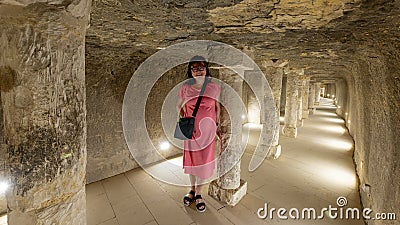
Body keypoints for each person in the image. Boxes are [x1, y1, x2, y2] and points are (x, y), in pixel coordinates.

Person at [176, 56, 221, 212]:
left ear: (206, 69)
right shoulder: (185, 88)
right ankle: (192, 189)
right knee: (192, 163)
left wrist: (217, 125)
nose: (198, 71)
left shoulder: (214, 87)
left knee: (204, 163)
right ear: (190, 71)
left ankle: (199, 193)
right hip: (192, 133)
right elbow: (179, 107)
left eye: (201, 67)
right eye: (194, 68)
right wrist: (187, 121)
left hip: (208, 133)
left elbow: (217, 107)